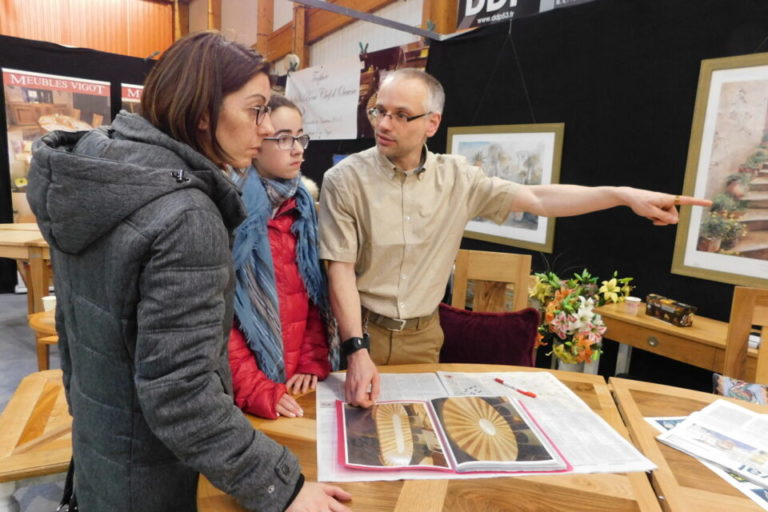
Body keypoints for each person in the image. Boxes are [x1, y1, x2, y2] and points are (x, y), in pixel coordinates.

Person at [27, 31, 350, 512]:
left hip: (105, 444)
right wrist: (282, 487)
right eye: (255, 109)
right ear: (203, 112)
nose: (265, 129)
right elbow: (181, 393)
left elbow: (78, 333)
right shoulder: (185, 217)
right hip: (154, 474)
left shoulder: (101, 177)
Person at [318, 68, 711, 408]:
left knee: (416, 438)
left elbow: (539, 197)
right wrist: (356, 349)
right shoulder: (345, 180)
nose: (384, 125)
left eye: (402, 115)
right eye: (379, 111)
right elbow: (341, 271)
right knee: (353, 433)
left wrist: (622, 195)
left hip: (423, 336)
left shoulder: (457, 178)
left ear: (431, 123)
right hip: (358, 332)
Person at [229, 95, 338, 420]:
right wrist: (254, 387)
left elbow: (314, 296)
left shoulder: (303, 207)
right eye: (284, 138)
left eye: (301, 136)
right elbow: (218, 319)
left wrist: (310, 359)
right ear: (256, 141)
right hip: (241, 392)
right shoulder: (230, 210)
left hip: (294, 385)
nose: (298, 149)